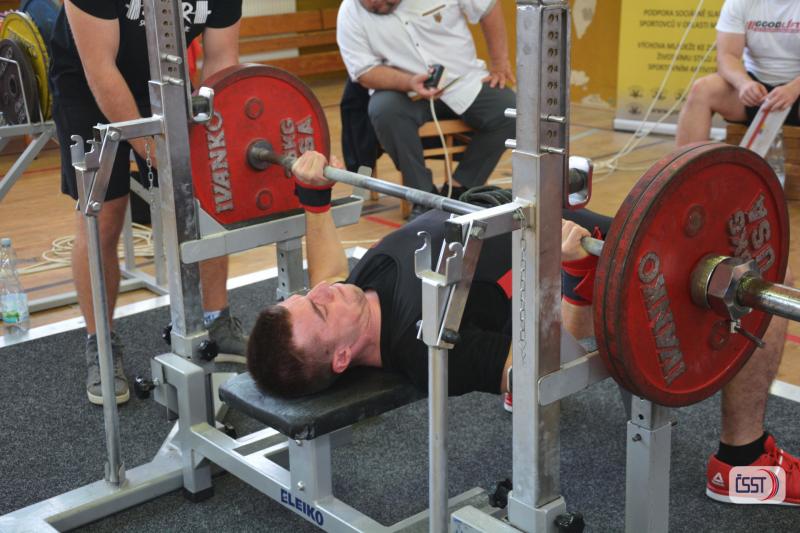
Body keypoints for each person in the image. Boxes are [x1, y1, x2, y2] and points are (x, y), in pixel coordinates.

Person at [247, 150, 800, 505]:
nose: (322, 291)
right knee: (759, 277)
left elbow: (326, 271)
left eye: (306, 297)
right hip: (578, 262)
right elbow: (551, 365)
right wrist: (575, 275)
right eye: (319, 309)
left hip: (526, 220)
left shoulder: (353, 297)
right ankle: (743, 462)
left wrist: (314, 199)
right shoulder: (425, 345)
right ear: (342, 358)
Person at [48, 0, 247, 406]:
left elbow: (221, 59)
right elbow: (101, 70)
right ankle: (101, 344)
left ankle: (216, 321)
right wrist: (156, 154)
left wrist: (207, 144)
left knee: (207, 193)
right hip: (88, 81)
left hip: (166, 77)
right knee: (105, 212)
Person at [336, 0, 516, 219]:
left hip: (464, 81)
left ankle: (461, 191)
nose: (375, 3)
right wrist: (409, 82)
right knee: (383, 109)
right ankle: (422, 197)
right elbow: (364, 72)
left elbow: (488, 7)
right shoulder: (349, 12)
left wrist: (499, 62)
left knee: (513, 111)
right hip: (404, 91)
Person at [676, 0, 800, 145]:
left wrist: (793, 89)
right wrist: (744, 84)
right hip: (756, 91)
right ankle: (686, 159)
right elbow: (727, 56)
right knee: (702, 89)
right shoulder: (739, 3)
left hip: (796, 87)